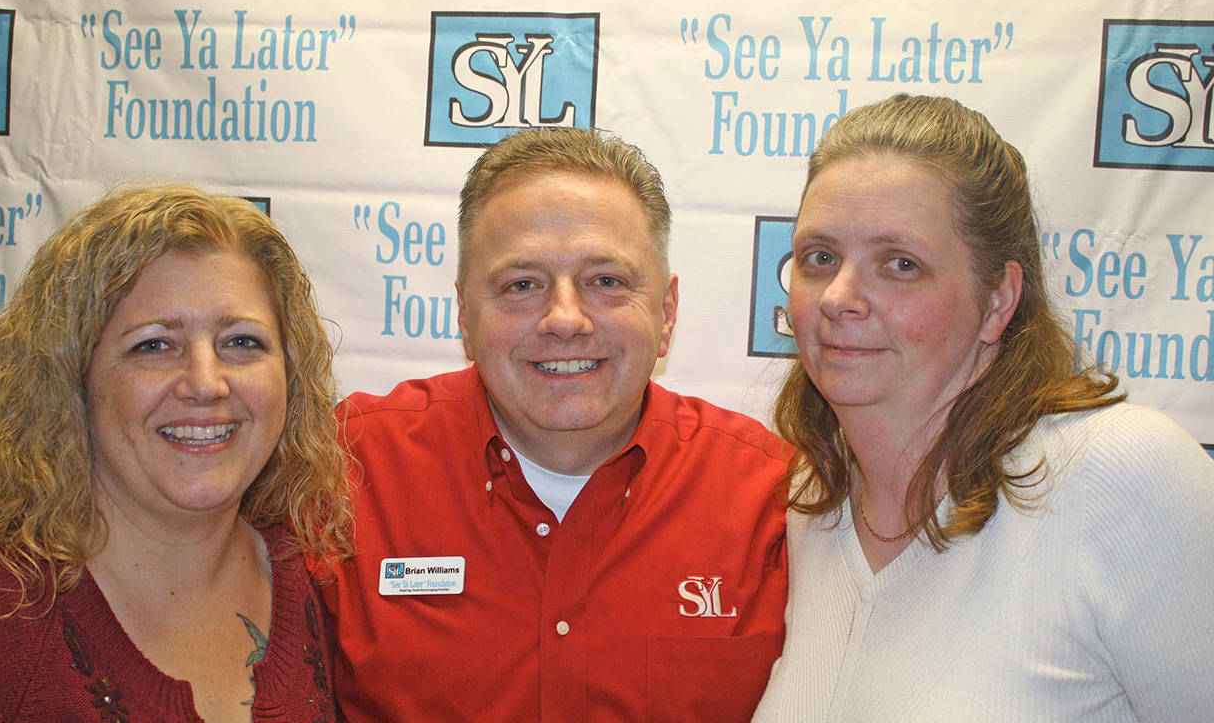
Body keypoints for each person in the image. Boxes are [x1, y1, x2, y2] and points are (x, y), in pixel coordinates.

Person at [752, 94, 1214, 722]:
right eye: (820, 258)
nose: (839, 297)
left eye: (901, 264)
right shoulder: (814, 500)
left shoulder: (1116, 475)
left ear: (998, 300)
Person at [324, 127, 790, 722]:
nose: (565, 319)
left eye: (606, 282)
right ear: (465, 315)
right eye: (522, 285)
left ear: (666, 313)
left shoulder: (773, 499)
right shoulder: (347, 466)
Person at [0, 184, 352, 722]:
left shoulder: (323, 580)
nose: (205, 383)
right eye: (153, 345)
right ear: (72, 378)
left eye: (242, 342)